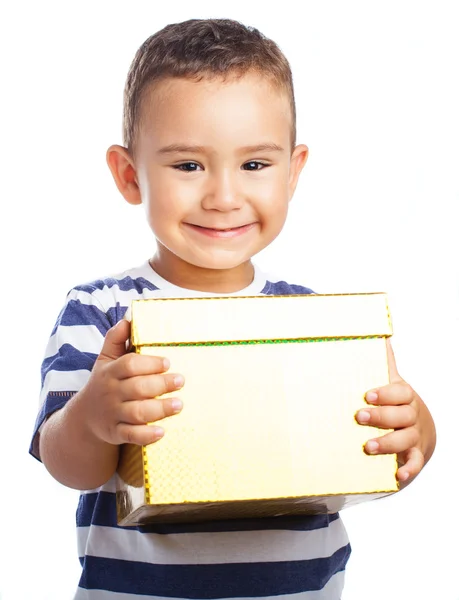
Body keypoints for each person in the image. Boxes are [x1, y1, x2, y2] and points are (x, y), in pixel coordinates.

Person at [30, 18, 436, 599]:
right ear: (129, 174)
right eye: (188, 165)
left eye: (254, 165)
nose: (223, 197)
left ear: (292, 173)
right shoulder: (102, 310)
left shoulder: (310, 320)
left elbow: (388, 450)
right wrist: (95, 414)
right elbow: (67, 463)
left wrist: (414, 423)